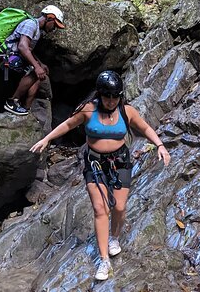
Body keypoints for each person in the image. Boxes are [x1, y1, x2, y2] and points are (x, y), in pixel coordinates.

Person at [29, 70, 171, 281]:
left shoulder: (127, 111)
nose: (111, 101)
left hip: (120, 161)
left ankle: (115, 238)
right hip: (94, 163)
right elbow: (67, 125)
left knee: (120, 207)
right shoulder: (88, 110)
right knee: (100, 208)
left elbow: (145, 127)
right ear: (99, 95)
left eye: (115, 96)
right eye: (107, 96)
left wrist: (160, 145)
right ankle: (104, 259)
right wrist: (46, 139)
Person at [0, 5, 65, 116]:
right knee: (34, 72)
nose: (54, 29)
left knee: (40, 75)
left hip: (15, 56)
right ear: (49, 18)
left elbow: (28, 49)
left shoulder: (37, 29)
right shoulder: (31, 24)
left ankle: (26, 108)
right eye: (55, 25)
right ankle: (12, 102)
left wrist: (40, 64)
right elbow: (22, 47)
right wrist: (37, 67)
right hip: (6, 56)